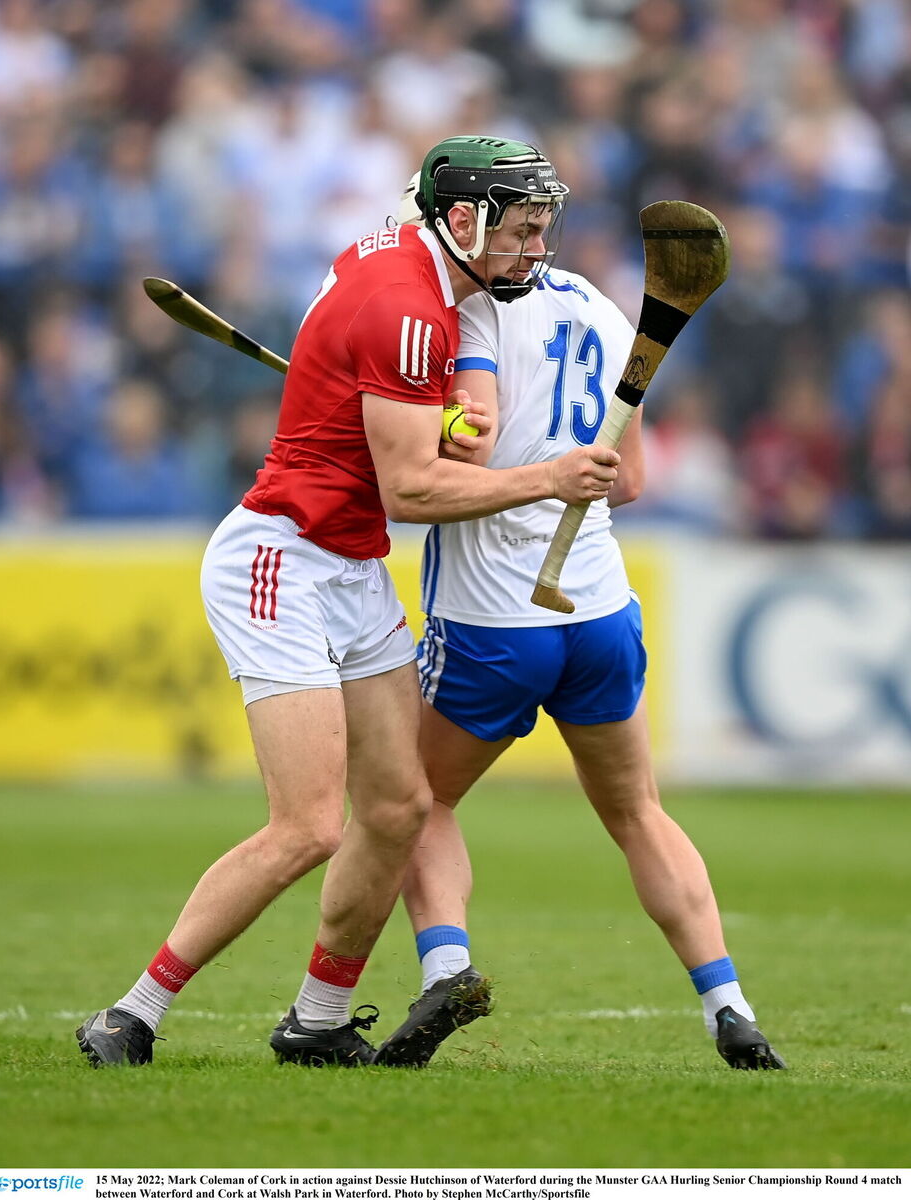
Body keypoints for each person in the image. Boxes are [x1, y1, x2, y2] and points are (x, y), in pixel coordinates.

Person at [75, 134, 623, 1068]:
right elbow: (413, 490)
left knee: (402, 804)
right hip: (280, 559)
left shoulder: (409, 268)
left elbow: (403, 429)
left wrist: (443, 419)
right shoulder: (411, 306)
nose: (536, 253)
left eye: (543, 232)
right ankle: (132, 1012)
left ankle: (318, 1022)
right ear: (461, 221)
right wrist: (551, 474)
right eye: (522, 234)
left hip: (353, 563)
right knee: (306, 826)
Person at [369, 176, 787, 1072]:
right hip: (597, 611)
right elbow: (626, 479)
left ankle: (449, 968)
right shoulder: (597, 306)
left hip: (490, 623)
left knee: (419, 800)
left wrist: (411, 422)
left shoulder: (468, 318)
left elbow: (467, 449)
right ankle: (730, 1007)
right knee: (638, 811)